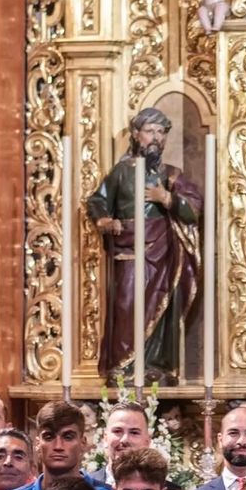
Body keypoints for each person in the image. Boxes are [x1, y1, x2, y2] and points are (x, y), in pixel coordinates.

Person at [87, 107, 202, 382]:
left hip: (163, 251)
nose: (156, 138)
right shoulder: (122, 172)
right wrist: (105, 220)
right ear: (136, 134)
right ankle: (123, 365)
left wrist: (167, 199)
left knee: (162, 306)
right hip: (129, 250)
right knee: (127, 304)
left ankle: (156, 365)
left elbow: (193, 210)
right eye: (150, 131)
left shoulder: (171, 175)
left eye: (161, 132)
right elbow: (97, 200)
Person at [89, 402, 151, 486]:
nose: (124, 439)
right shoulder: (85, 486)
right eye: (117, 431)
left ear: (147, 441)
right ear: (105, 439)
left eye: (134, 432)